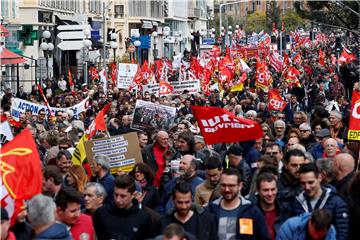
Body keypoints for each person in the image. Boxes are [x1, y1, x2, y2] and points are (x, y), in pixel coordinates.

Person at [207, 168, 270, 240]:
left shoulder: (252, 211)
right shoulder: (210, 210)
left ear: (240, 185)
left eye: (231, 186)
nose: (227, 189)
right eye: (223, 185)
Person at [292, 163, 349, 240]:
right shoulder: (298, 201)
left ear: (319, 177)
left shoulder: (337, 203)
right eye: (303, 183)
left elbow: (342, 233)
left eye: (310, 182)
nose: (307, 187)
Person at [92, 174, 152, 239]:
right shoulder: (101, 213)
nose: (118, 200)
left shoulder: (143, 218)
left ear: (133, 195)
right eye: (116, 195)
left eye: (123, 196)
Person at [251, 172, 291, 240]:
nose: (270, 194)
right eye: (265, 190)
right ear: (258, 190)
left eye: (273, 189)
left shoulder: (286, 211)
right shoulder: (250, 212)